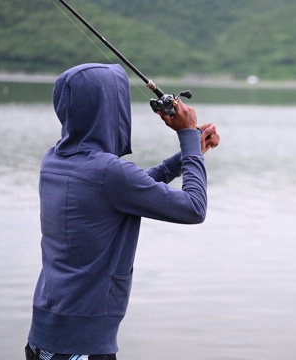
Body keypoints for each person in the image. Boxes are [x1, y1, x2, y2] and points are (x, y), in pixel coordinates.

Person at [25, 63, 219, 359]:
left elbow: (126, 190)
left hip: (46, 333)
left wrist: (189, 154)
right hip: (81, 345)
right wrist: (188, 138)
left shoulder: (54, 159)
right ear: (111, 109)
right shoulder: (108, 172)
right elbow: (194, 208)